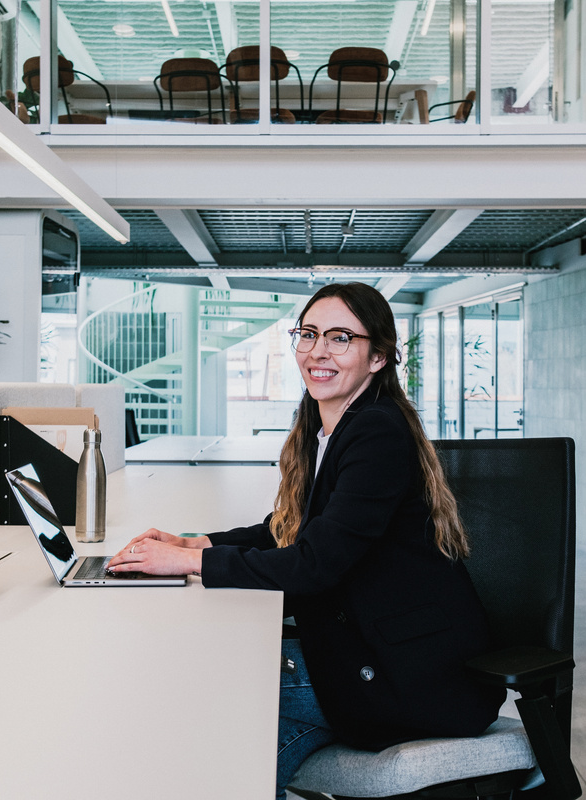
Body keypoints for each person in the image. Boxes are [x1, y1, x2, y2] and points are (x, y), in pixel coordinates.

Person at [108, 282, 505, 797]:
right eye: (309, 334)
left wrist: (189, 566)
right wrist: (194, 544)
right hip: (373, 646)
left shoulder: (376, 433)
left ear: (378, 356)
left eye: (340, 338)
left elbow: (315, 564)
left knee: (214, 721)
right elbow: (291, 528)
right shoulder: (331, 427)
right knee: (213, 710)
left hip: (412, 676)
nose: (318, 351)